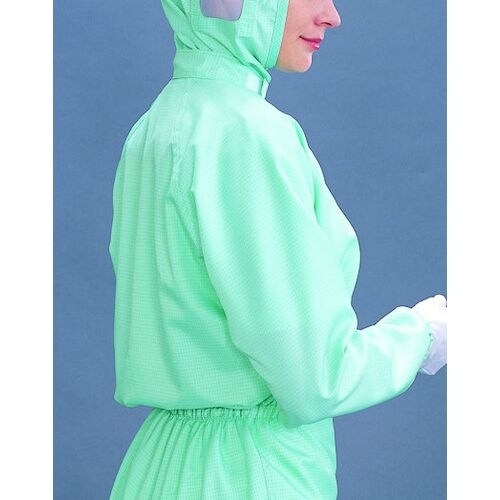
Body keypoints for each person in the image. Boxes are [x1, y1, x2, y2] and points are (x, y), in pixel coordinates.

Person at [107, 0, 447, 498]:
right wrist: (424, 334)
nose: (332, 16)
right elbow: (315, 378)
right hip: (251, 473)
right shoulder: (251, 136)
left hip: (156, 467)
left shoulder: (153, 128)